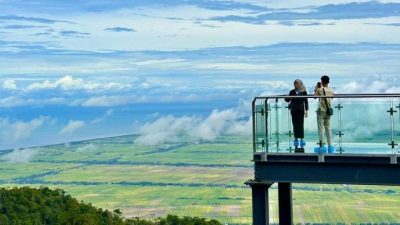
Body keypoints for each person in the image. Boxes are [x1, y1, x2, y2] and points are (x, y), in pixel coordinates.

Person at [285, 79, 308, 149]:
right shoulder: (292, 91)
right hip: (294, 110)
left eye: (296, 83)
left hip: (301, 110)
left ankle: (301, 138)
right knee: (295, 124)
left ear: (300, 84)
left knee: (301, 124)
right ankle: (296, 138)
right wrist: (287, 98)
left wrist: (306, 110)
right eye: (294, 83)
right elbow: (287, 100)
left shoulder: (304, 92)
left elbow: (306, 101)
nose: (295, 85)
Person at [314, 75, 335, 153]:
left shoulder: (320, 89)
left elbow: (315, 96)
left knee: (321, 128)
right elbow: (332, 97)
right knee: (328, 128)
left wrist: (316, 88)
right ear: (328, 82)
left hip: (321, 111)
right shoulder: (331, 90)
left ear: (322, 81)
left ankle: (322, 146)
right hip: (328, 111)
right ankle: (330, 146)